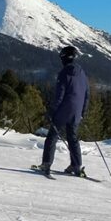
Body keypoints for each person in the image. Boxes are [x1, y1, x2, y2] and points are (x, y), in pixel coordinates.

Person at [39, 45, 89, 176]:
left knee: (52, 136)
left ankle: (46, 164)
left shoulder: (64, 73)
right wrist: (82, 112)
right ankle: (76, 166)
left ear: (64, 57)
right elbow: (86, 94)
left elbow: (59, 95)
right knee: (73, 138)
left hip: (63, 110)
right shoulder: (82, 73)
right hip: (77, 111)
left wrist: (51, 111)